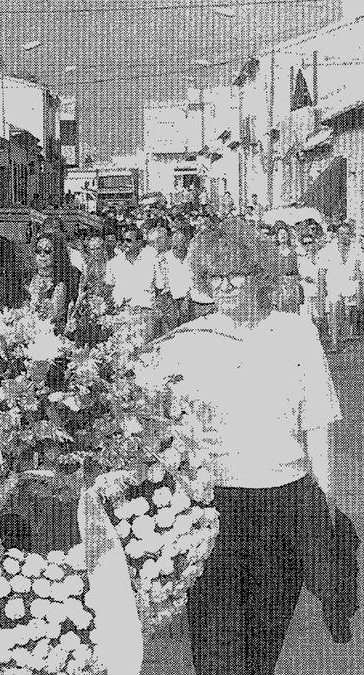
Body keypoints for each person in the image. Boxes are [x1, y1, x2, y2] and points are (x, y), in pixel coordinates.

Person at [142, 218, 343, 675]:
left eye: (237, 273)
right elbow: (157, 426)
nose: (227, 285)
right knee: (218, 642)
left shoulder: (296, 332)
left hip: (287, 500)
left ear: (260, 274)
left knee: (266, 636)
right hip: (215, 505)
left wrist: (325, 503)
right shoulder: (183, 344)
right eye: (215, 276)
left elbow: (317, 422)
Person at [104, 225, 159, 342]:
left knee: (145, 354)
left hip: (146, 315)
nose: (124, 243)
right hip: (121, 315)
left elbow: (159, 287)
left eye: (128, 240)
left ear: (139, 242)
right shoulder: (113, 263)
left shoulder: (152, 261)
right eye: (123, 240)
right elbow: (108, 289)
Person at [317, 221, 364, 352]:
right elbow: (321, 274)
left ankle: (348, 342)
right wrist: (321, 294)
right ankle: (334, 342)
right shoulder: (327, 250)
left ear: (351, 235)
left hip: (351, 286)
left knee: (350, 317)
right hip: (334, 286)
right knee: (333, 305)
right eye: (341, 233)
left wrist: (359, 278)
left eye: (347, 233)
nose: (344, 236)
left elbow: (361, 272)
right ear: (337, 234)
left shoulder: (357, 250)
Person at [27, 230, 81, 334]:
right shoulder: (29, 278)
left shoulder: (60, 285)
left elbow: (52, 317)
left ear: (57, 254)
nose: (42, 255)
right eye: (39, 250)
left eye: (47, 251)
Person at [158, 225, 194, 328]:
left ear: (186, 244)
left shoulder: (192, 257)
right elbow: (163, 284)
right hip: (171, 302)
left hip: (190, 301)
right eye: (175, 246)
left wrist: (187, 300)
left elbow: (194, 281)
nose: (178, 248)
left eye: (181, 244)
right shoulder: (164, 259)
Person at [274, 225, 303, 313]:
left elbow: (299, 269)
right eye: (280, 234)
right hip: (279, 284)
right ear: (277, 237)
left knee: (293, 311)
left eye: (285, 233)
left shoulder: (294, 252)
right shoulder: (274, 252)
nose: (283, 235)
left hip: (292, 283)